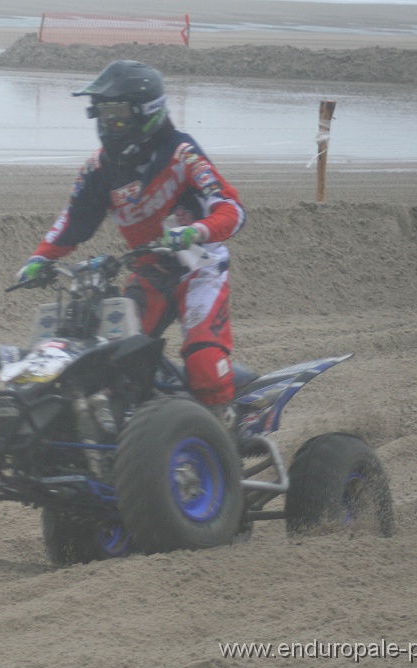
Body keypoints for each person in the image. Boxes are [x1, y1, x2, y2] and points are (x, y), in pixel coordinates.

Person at [15, 60, 246, 414]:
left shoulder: (183, 154)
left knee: (203, 361)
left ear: (147, 113)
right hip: (150, 272)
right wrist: (40, 258)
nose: (110, 124)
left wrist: (194, 231)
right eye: (104, 114)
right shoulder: (99, 169)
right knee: (111, 361)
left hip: (199, 271)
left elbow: (232, 209)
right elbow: (74, 219)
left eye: (119, 114)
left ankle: (218, 432)